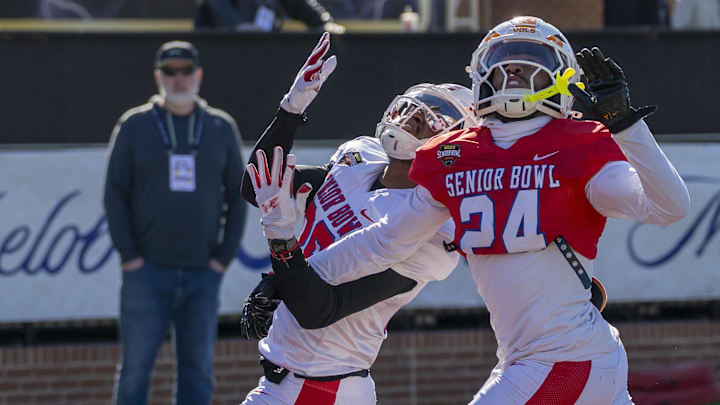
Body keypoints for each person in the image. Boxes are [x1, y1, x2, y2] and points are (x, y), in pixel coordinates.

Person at [250, 17, 690, 404]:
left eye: (529, 61)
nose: (514, 70)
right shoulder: (453, 157)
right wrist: (283, 277)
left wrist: (626, 126)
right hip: (530, 358)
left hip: (563, 356)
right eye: (506, 60)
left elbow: (670, 207)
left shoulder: (575, 143)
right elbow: (383, 241)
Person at [239, 33, 477, 404]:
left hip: (322, 387)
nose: (416, 118)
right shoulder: (358, 160)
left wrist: (281, 242)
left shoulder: (429, 229)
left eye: (436, 117)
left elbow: (318, 310)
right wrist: (291, 110)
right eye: (415, 107)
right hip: (294, 382)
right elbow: (257, 187)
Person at [103, 40, 246, 405]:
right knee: (135, 371)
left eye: (186, 71)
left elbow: (238, 195)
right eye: (171, 72)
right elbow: (114, 193)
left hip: (202, 274)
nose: (179, 79)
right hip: (146, 274)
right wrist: (130, 257)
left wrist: (221, 260)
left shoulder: (219, 126)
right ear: (158, 77)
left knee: (197, 374)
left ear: (198, 75)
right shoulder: (134, 125)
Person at [194, 0, 346, 34]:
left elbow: (300, 6)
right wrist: (235, 29)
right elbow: (202, 34)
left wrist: (324, 22)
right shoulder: (208, 5)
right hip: (229, 59)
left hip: (267, 54)